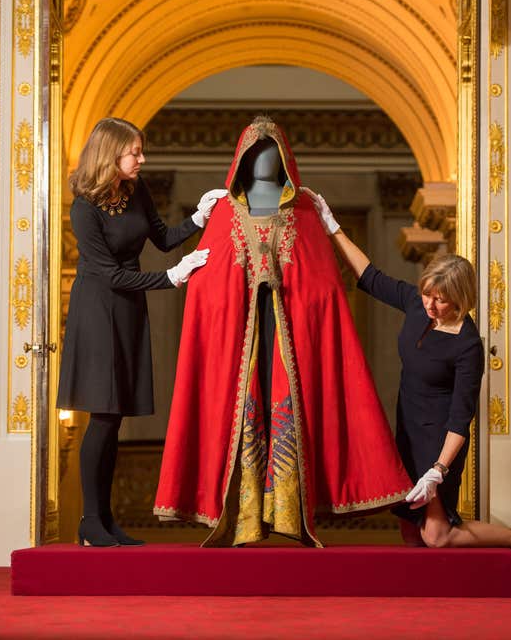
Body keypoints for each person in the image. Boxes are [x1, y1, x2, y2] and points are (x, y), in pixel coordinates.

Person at [154, 116, 412, 547]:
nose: (263, 159)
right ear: (240, 159)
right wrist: (220, 291)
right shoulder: (222, 212)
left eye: (272, 151)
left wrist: (292, 298)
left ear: (286, 160)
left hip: (289, 336)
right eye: (254, 152)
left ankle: (288, 511)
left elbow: (325, 291)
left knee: (287, 410)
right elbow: (209, 294)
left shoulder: (306, 211)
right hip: (240, 338)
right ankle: (244, 516)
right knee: (245, 410)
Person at [306, 189, 511, 588]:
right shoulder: (415, 304)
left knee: (437, 535)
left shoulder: (467, 346)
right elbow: (369, 276)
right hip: (408, 428)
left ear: (461, 301)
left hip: (439, 442)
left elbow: (462, 417)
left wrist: (438, 471)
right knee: (413, 532)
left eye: (440, 300)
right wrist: (331, 226)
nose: (430, 304)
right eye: (427, 293)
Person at [56, 117, 226, 548]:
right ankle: (90, 521)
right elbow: (110, 275)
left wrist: (200, 218)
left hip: (129, 308)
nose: (141, 159)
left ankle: (104, 520)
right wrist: (170, 279)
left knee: (115, 420)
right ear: (110, 154)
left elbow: (165, 238)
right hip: (96, 312)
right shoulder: (84, 208)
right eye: (135, 151)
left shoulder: (135, 191)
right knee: (103, 415)